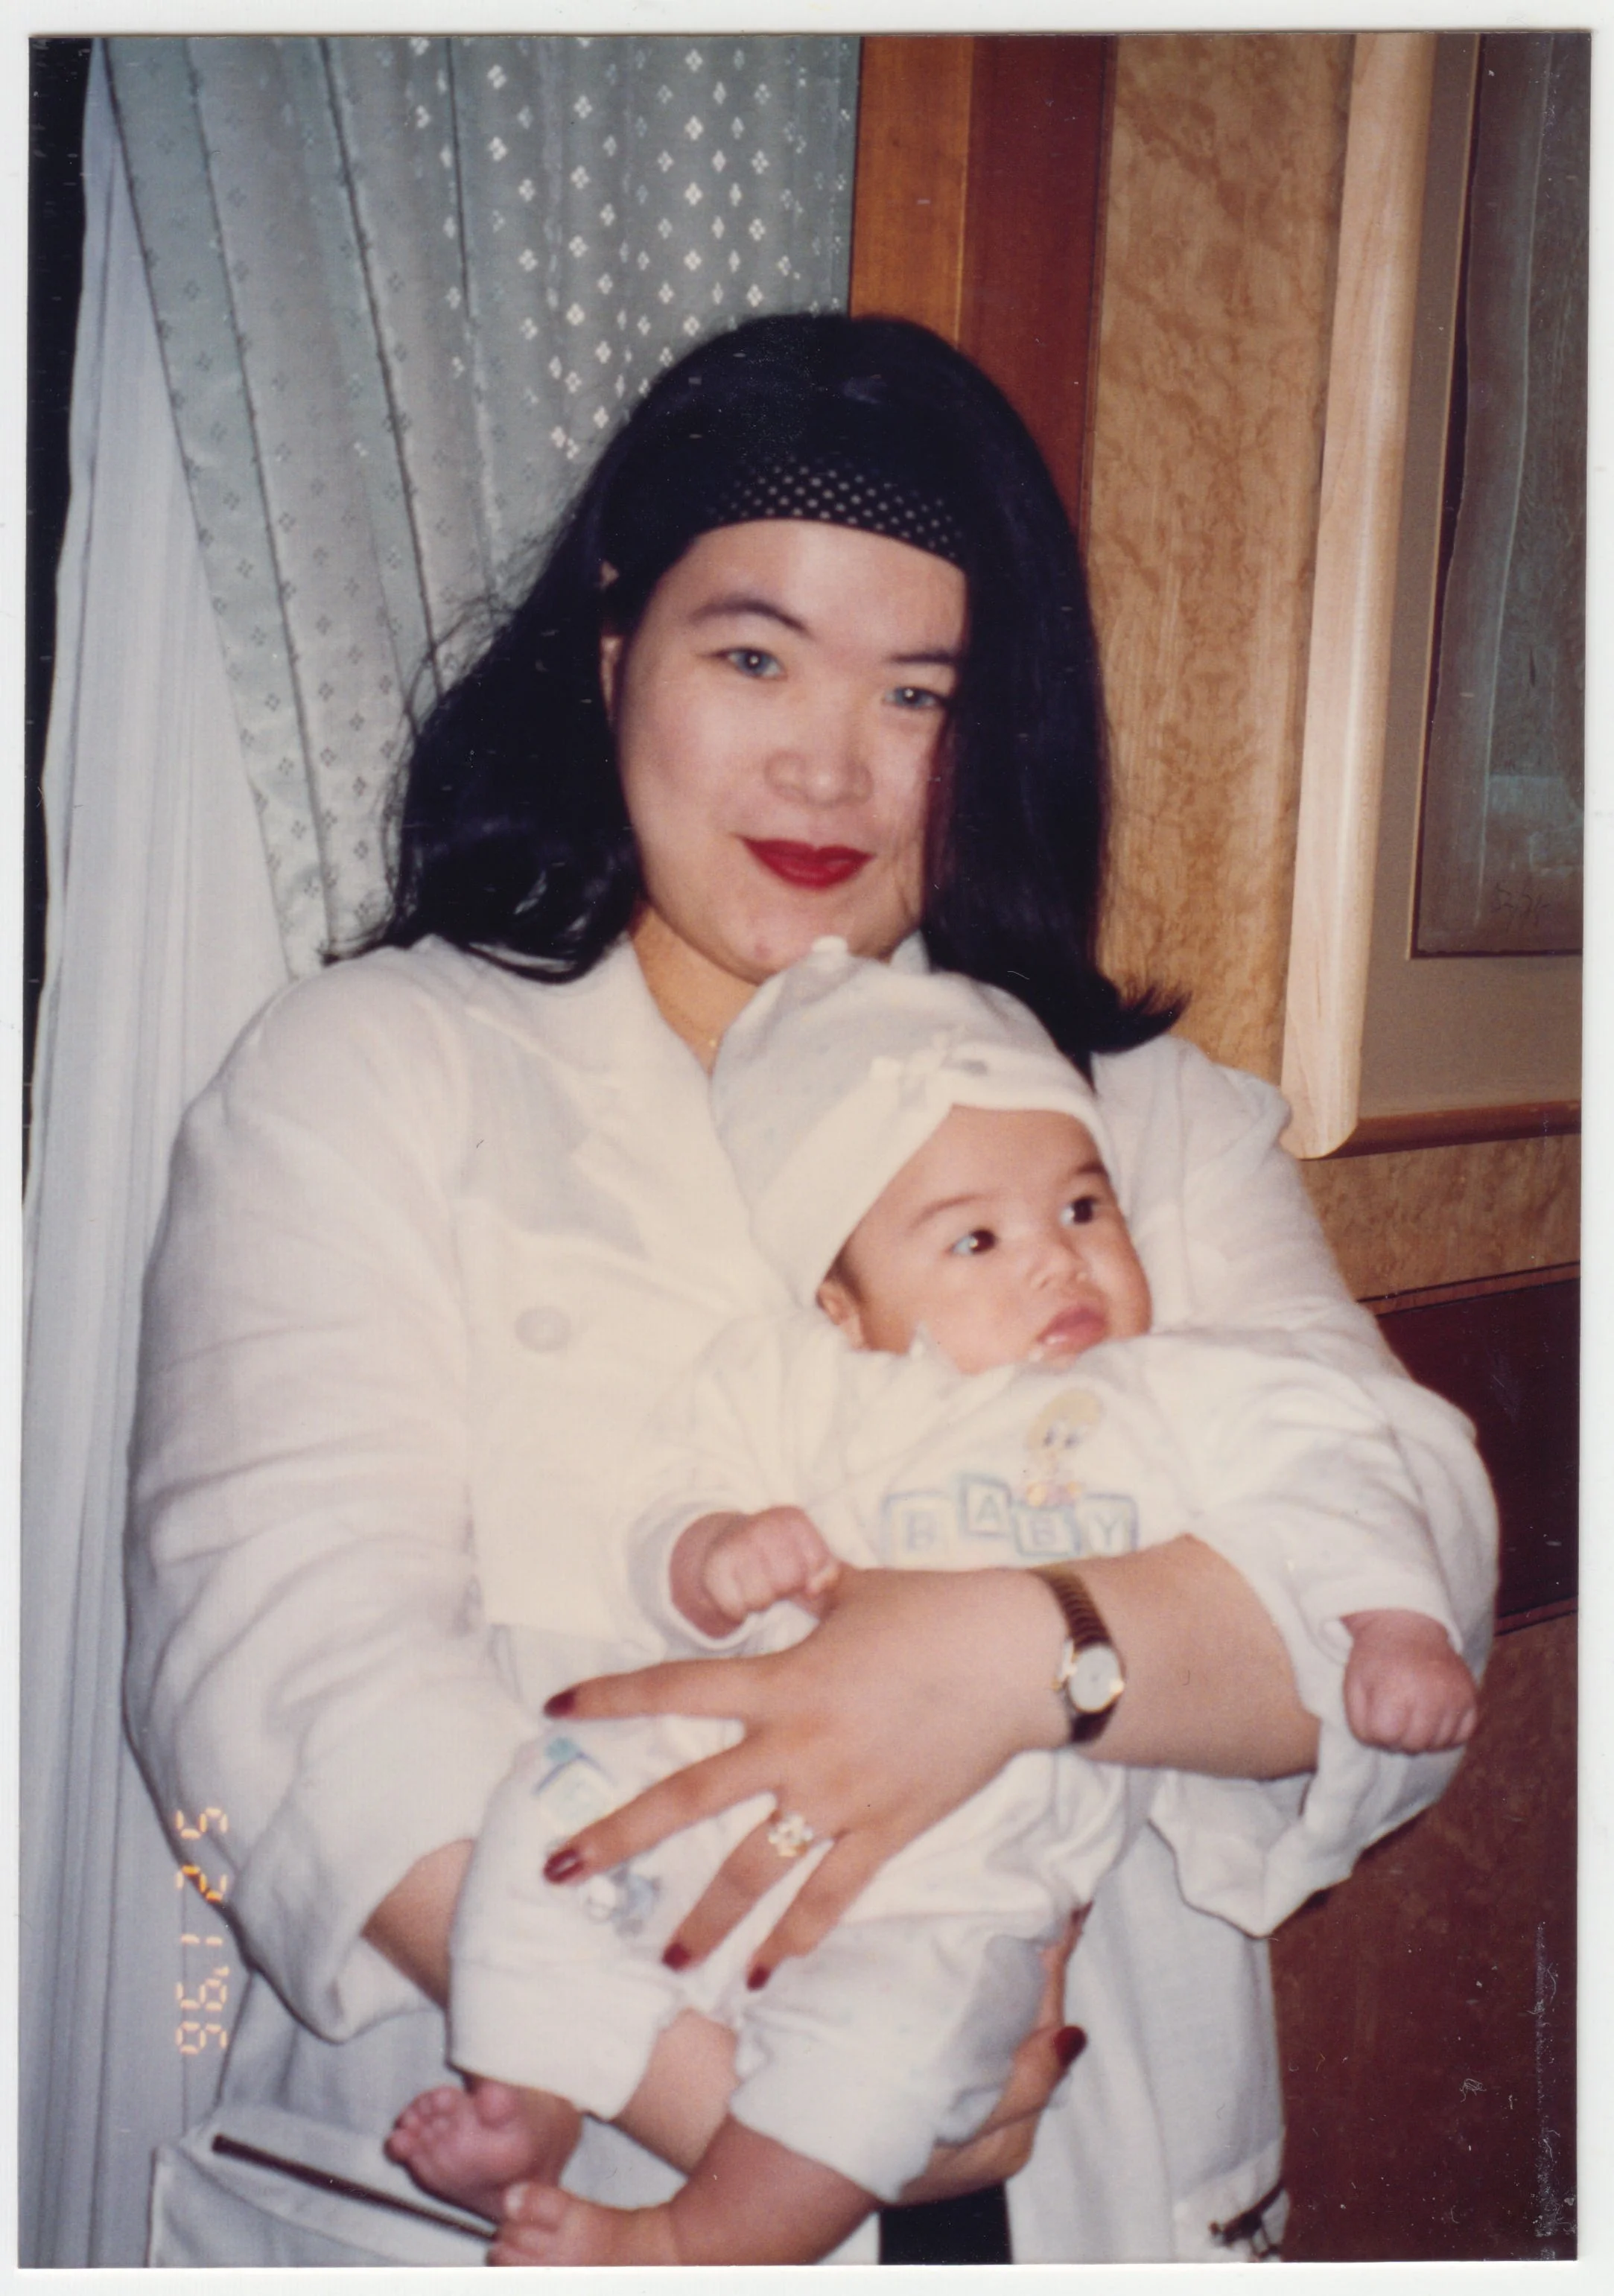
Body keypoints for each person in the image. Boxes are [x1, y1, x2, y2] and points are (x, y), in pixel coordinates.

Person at [124, 312, 1496, 2267]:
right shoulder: (374, 1071)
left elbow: (1402, 1548)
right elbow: (273, 1676)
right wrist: (758, 2120)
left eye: (915, 690)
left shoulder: (1137, 1121)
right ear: (613, 659)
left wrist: (1019, 1652)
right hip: (552, 2174)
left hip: (1096, 2181)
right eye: (750, 653)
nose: (825, 761)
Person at [385, 942, 1480, 2265]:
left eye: (1084, 1210)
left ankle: (686, 2242)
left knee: (895, 2054)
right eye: (974, 1237)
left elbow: (1333, 1463)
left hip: (971, 1873)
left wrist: (1393, 1620)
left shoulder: (1156, 1394)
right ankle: (533, 2091)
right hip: (735, 1783)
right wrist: (707, 1550)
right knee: (548, 1815)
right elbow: (661, 1493)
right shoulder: (807, 1383)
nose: (1054, 1266)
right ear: (842, 1305)